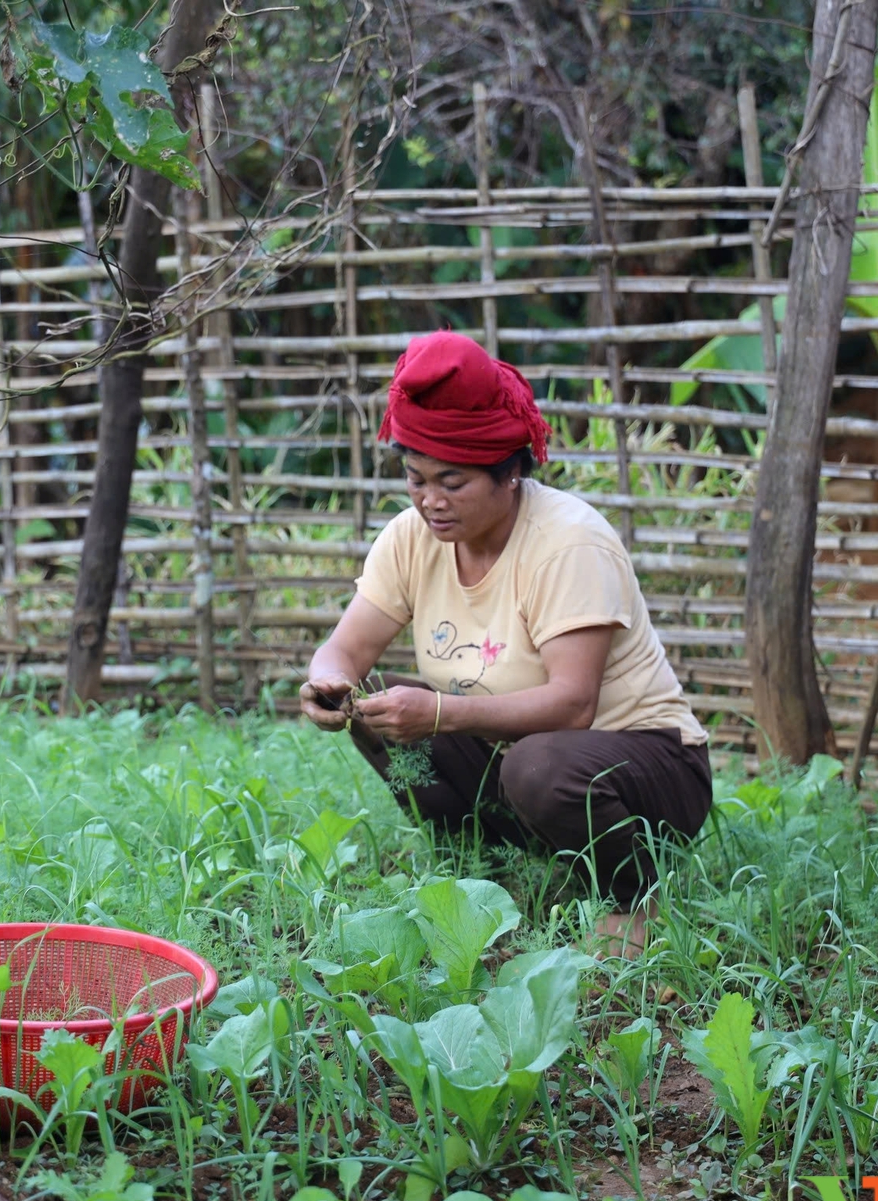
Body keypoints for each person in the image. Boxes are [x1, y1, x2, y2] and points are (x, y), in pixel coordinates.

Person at [299, 330, 712, 952]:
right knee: (378, 701)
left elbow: (574, 706)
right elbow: (346, 650)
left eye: (453, 482)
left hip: (643, 771)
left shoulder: (567, 543)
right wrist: (326, 682)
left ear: (510, 473)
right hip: (510, 758)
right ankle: (489, 866)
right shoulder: (412, 538)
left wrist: (439, 711)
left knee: (538, 765)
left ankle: (632, 899)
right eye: (414, 479)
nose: (430, 501)